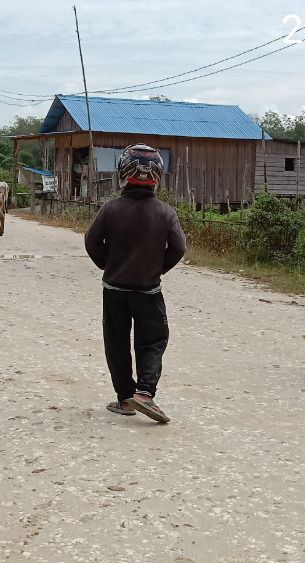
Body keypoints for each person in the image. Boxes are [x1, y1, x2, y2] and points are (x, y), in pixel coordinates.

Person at [84, 144, 187, 423]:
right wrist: (156, 269)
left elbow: (91, 242)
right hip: (148, 290)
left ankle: (124, 400)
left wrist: (108, 264)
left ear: (122, 173)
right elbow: (178, 248)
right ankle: (144, 393)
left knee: (116, 342)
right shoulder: (166, 212)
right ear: (158, 176)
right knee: (152, 341)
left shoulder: (110, 208)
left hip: (114, 289)